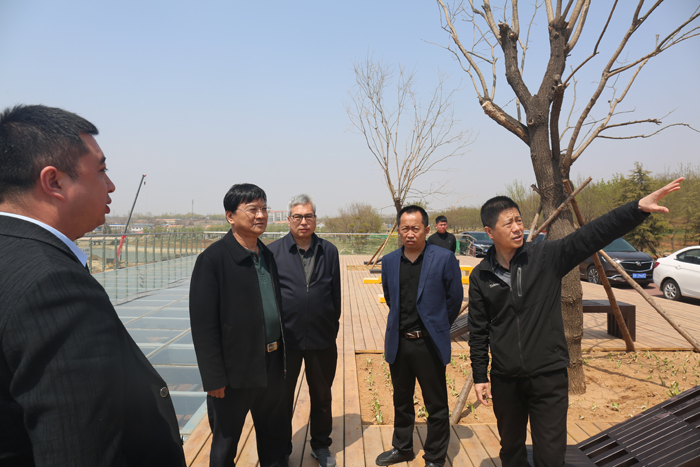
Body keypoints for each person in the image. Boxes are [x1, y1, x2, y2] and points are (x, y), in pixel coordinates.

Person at [0, 104, 186, 466]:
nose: (111, 185)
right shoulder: (54, 285)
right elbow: (76, 447)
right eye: (101, 170)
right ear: (54, 182)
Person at [468, 178, 684, 467]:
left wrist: (637, 209)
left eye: (519, 220)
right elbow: (479, 330)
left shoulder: (546, 257)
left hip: (548, 376)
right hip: (505, 379)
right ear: (489, 231)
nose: (518, 228)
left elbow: (591, 235)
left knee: (550, 455)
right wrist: (480, 375)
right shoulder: (481, 276)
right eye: (508, 223)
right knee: (511, 450)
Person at [189, 183, 289, 467]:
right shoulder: (213, 260)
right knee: (225, 445)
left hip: (272, 364)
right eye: (252, 209)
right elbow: (203, 325)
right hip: (234, 374)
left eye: (264, 209)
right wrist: (213, 378)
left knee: (275, 440)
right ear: (230, 216)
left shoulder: (267, 255)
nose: (261, 215)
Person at [376, 205, 463, 467]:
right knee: (401, 400)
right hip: (400, 342)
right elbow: (390, 298)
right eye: (405, 228)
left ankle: (435, 457)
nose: (410, 233)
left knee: (436, 404)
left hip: (429, 343)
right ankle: (402, 447)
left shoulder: (444, 258)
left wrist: (437, 326)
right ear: (398, 231)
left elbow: (454, 299)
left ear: (426, 229)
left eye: (415, 228)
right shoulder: (390, 261)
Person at [268, 194, 341, 467]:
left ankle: (321, 445)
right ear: (289, 219)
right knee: (282, 399)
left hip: (322, 340)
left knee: (322, 396)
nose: (303, 222)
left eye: (308, 216)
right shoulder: (273, 252)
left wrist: (330, 329)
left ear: (315, 219)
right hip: (286, 341)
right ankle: (281, 448)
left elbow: (335, 296)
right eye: (297, 217)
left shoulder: (328, 251)